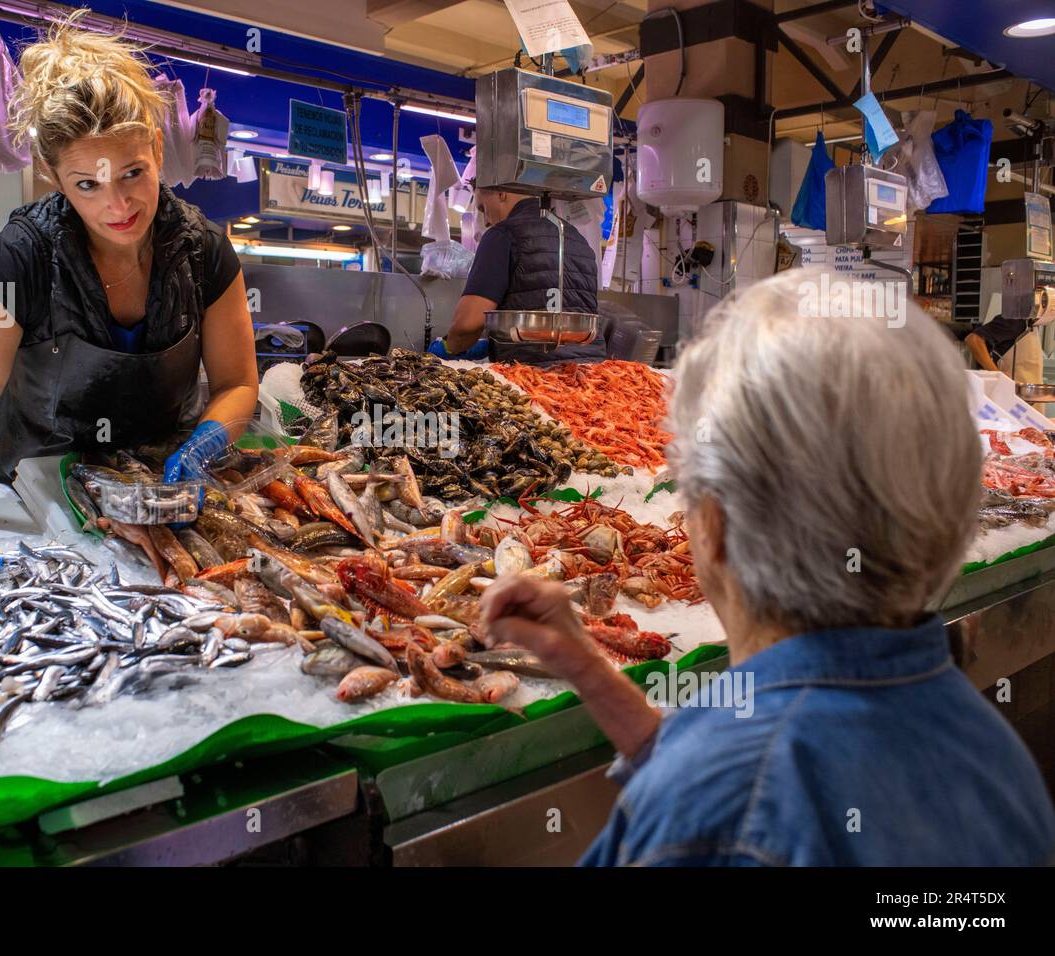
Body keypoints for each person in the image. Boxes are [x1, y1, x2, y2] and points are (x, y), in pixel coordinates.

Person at [481, 269, 1055, 865]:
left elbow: (738, 796)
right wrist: (587, 666)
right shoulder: (997, 757)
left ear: (718, 527)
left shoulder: (714, 818)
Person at [0, 13, 258, 593]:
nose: (119, 203)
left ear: (156, 147)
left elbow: (236, 384)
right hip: (38, 505)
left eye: (133, 173)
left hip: (162, 502)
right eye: (87, 185)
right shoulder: (20, 257)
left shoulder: (203, 251)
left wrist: (203, 447)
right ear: (53, 175)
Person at [428, 185, 606, 364]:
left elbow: (467, 324)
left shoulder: (502, 235)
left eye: (483, 209)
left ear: (501, 193)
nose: (486, 221)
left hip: (533, 376)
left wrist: (448, 347)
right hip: (594, 373)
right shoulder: (577, 238)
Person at [964, 313, 1045, 385]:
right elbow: (973, 340)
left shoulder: (1031, 324)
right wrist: (997, 374)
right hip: (1010, 395)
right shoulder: (1014, 322)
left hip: (1029, 397)